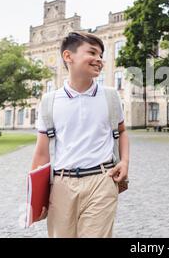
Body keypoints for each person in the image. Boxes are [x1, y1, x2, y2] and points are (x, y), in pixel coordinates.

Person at [30, 31, 129, 238]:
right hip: (61, 185)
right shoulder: (50, 102)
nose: (99, 60)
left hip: (102, 180)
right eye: (92, 52)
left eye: (101, 55)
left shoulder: (111, 97)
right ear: (68, 57)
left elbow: (121, 131)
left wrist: (125, 161)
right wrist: (35, 198)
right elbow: (41, 153)